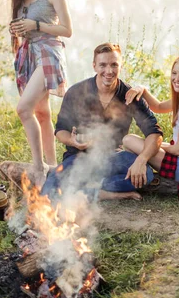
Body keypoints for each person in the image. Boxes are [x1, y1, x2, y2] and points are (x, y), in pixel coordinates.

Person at [40, 43, 163, 201]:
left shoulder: (130, 95)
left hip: (113, 158)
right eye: (103, 65)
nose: (109, 71)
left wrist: (141, 159)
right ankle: (95, 190)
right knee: (49, 190)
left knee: (146, 173)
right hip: (79, 157)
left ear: (121, 65)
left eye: (114, 65)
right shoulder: (76, 92)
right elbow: (60, 130)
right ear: (94, 66)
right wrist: (72, 141)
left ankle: (87, 189)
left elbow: (154, 133)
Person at [9, 0, 73, 184]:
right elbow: (23, 26)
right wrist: (18, 29)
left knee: (24, 109)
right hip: (29, 54)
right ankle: (53, 168)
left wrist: (36, 26)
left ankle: (38, 168)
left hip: (48, 53)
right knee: (42, 113)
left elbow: (67, 30)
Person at [123, 55, 179, 201]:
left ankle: (142, 176)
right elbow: (158, 107)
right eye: (174, 73)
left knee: (129, 141)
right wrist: (143, 90)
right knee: (137, 144)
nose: (177, 78)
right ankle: (140, 171)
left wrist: (155, 146)